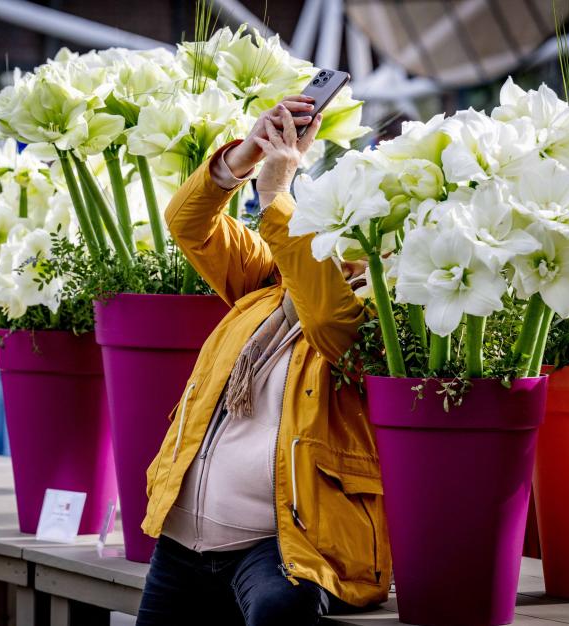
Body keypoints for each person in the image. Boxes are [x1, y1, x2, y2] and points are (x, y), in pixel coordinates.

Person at [136, 96, 391, 625]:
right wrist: (245, 156)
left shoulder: (380, 319)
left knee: (281, 610)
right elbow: (188, 224)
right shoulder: (271, 287)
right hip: (184, 543)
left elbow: (329, 320)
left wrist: (276, 193)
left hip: (280, 548)